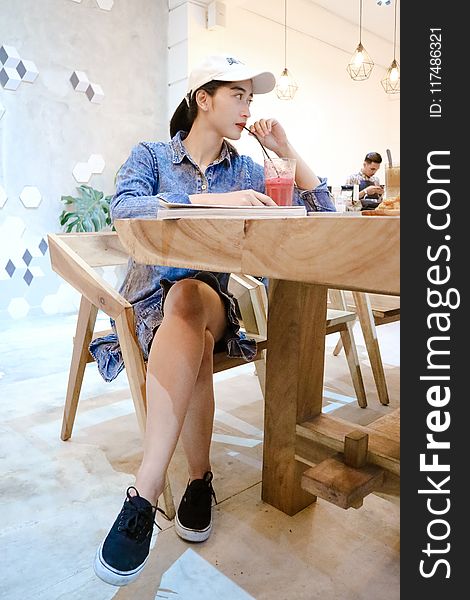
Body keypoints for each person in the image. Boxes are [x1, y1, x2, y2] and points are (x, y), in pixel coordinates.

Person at [90, 53, 335, 587]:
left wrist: (287, 152)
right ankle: (199, 481)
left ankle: (146, 489)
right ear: (204, 98)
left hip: (210, 303)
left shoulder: (251, 168)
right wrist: (212, 201)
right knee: (184, 321)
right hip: (147, 307)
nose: (250, 107)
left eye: (252, 98)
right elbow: (126, 208)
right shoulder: (152, 155)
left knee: (190, 298)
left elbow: (326, 214)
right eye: (239, 95)